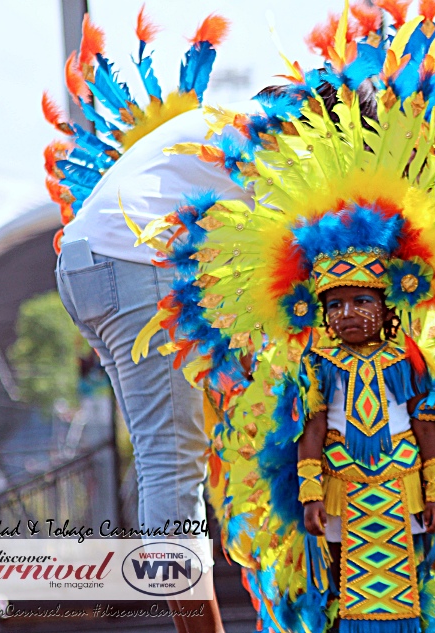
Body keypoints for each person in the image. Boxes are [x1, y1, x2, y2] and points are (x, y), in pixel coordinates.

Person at [56, 99, 264, 633]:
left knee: (160, 461)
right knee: (171, 461)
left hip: (85, 265)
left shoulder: (234, 118)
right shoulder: (284, 138)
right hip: (131, 265)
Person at [296, 275, 435, 632]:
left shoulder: (407, 358)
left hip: (402, 490)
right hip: (340, 495)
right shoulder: (316, 361)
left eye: (361, 301)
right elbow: (313, 427)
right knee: (341, 590)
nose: (347, 313)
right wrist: (310, 494)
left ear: (386, 307)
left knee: (409, 587)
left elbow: (426, 425)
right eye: (335, 305)